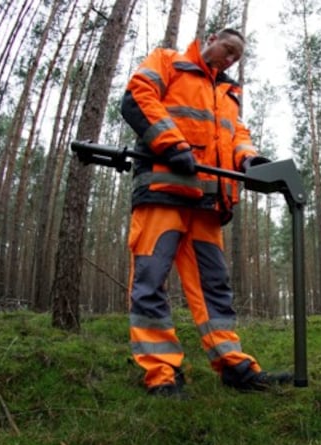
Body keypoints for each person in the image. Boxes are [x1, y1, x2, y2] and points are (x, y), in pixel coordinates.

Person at [120, 28, 290, 396]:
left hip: (207, 203)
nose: (230, 60)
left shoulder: (228, 95)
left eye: (236, 58)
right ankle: (161, 373)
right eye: (228, 50)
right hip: (163, 192)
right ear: (210, 38)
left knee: (215, 289)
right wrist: (171, 145)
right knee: (150, 281)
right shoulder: (168, 62)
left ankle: (233, 366)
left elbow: (236, 134)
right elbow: (137, 96)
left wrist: (250, 159)